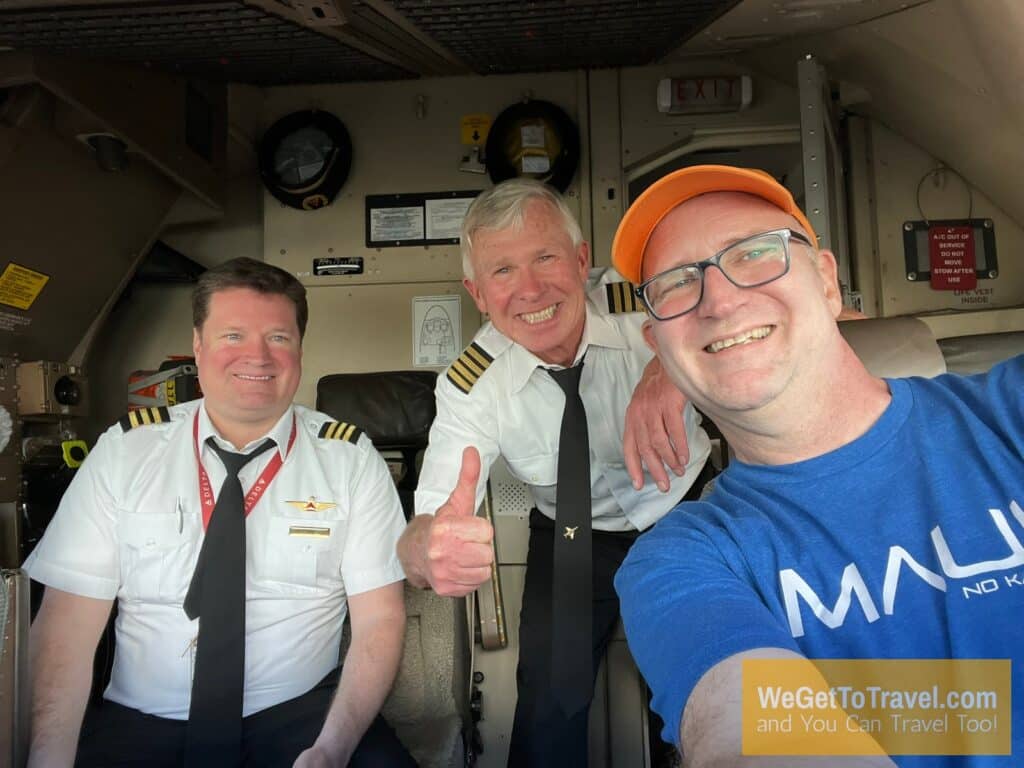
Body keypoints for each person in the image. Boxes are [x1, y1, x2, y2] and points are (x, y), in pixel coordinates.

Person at [611, 164, 1024, 767]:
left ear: (829, 283)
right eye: (677, 283)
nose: (720, 300)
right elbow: (751, 737)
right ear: (658, 345)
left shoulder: (1009, 414)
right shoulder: (680, 563)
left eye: (754, 253)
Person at [24, 257, 416, 768]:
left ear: (299, 349)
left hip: (299, 715)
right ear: (198, 346)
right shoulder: (125, 452)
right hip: (144, 720)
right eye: (233, 335)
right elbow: (65, 629)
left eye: (278, 337)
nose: (257, 356)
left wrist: (332, 749)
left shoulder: (349, 458)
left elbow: (380, 621)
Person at [397, 178, 712, 767]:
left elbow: (735, 318)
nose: (531, 289)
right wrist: (424, 549)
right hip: (573, 532)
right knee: (548, 696)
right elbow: (430, 523)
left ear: (582, 259)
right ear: (477, 293)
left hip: (684, 509)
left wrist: (670, 366)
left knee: (704, 675)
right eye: (503, 272)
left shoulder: (646, 300)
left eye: (545, 257)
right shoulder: (471, 385)